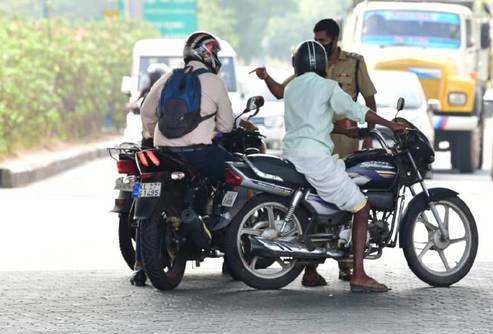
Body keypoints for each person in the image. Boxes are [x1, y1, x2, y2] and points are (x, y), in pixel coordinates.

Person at [254, 18, 378, 283]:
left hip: (341, 145)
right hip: (321, 151)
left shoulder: (353, 62)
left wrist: (366, 136)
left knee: (327, 209)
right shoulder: (313, 79)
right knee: (352, 205)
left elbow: (368, 99)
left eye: (322, 40)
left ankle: (343, 266)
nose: (318, 44)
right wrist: (266, 78)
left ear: (334, 38)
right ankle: (348, 272)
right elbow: (281, 91)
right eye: (317, 40)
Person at [131, 31, 255, 286]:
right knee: (237, 180)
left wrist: (149, 136)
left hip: (163, 153)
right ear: (208, 54)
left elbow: (146, 112)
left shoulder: (168, 78)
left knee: (145, 193)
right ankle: (228, 244)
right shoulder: (213, 81)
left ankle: (140, 263)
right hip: (198, 154)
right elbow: (227, 125)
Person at [283, 40, 405, 292]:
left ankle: (314, 269)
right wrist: (389, 124)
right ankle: (359, 274)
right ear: (322, 63)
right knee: (361, 207)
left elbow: (311, 121)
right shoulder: (327, 87)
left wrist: (345, 132)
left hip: (293, 154)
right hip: (316, 158)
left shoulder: (292, 88)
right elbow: (356, 109)